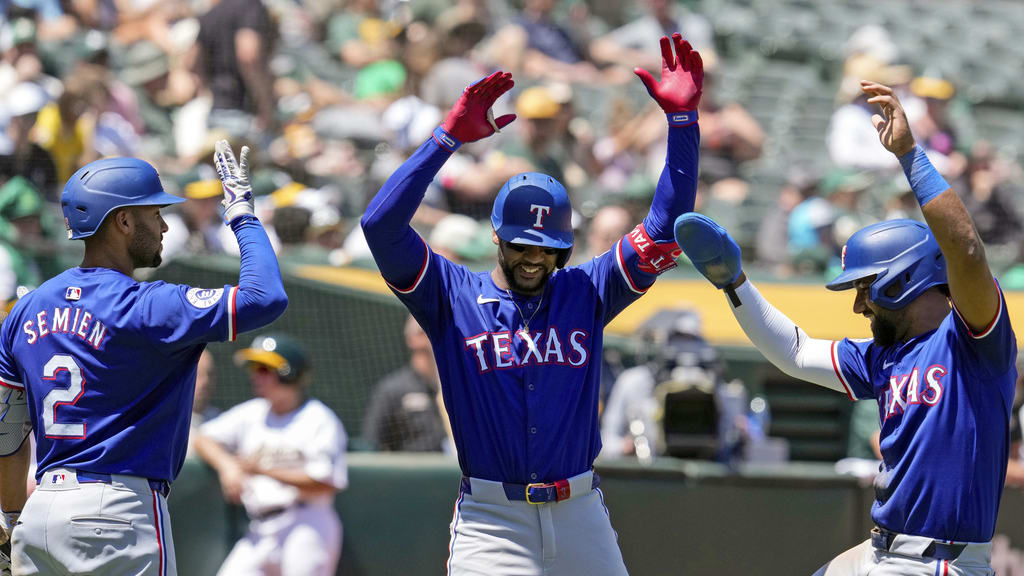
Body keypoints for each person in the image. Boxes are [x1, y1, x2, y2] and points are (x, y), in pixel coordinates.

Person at [361, 33, 702, 575]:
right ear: (496, 236)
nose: (532, 259)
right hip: (492, 521)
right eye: (521, 244)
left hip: (580, 510)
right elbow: (380, 225)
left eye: (547, 250)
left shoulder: (587, 290)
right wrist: (446, 139)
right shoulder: (450, 296)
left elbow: (668, 227)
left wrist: (683, 127)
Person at [674, 80, 1015, 575]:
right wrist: (736, 285)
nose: (859, 306)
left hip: (942, 562)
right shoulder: (885, 354)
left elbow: (964, 250)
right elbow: (795, 353)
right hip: (883, 551)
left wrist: (909, 156)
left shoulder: (975, 342)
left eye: (864, 288)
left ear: (902, 280)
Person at [0, 140, 288, 575]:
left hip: (41, 512)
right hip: (116, 512)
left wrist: (12, 519)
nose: (165, 228)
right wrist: (243, 216)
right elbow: (265, 297)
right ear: (123, 221)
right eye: (156, 214)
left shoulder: (26, 309)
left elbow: (7, 437)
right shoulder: (147, 304)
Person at [194, 332, 348, 576]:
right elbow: (203, 439)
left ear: (289, 374)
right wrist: (228, 466)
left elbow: (325, 483)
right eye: (255, 368)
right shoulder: (252, 413)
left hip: (306, 524)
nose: (256, 376)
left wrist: (262, 470)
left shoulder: (319, 419)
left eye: (264, 369)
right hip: (260, 528)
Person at [362, 315, 450, 453]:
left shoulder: (455, 386)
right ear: (411, 339)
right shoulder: (393, 389)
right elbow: (371, 443)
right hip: (413, 470)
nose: (431, 337)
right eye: (424, 332)